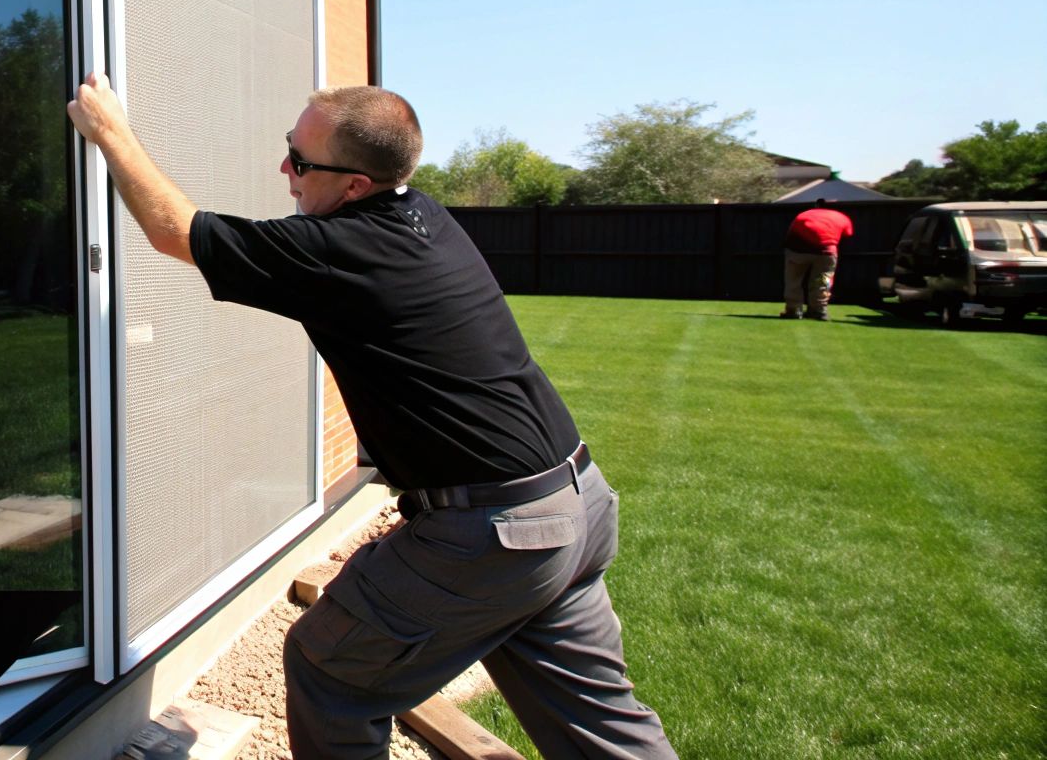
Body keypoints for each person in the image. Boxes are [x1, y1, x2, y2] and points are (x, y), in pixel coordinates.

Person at [67, 76, 675, 760]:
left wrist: (110, 131)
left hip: (502, 530)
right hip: (575, 501)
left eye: (299, 161)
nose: (284, 169)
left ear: (355, 185)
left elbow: (173, 231)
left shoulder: (336, 253)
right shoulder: (425, 215)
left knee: (330, 671)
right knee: (598, 724)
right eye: (287, 149)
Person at [782, 200, 853, 320]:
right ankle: (819, 310)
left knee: (793, 280)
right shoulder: (842, 217)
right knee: (823, 282)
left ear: (817, 205)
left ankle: (793, 310)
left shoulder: (804, 214)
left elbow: (791, 232)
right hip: (826, 253)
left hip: (798, 251)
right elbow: (848, 234)